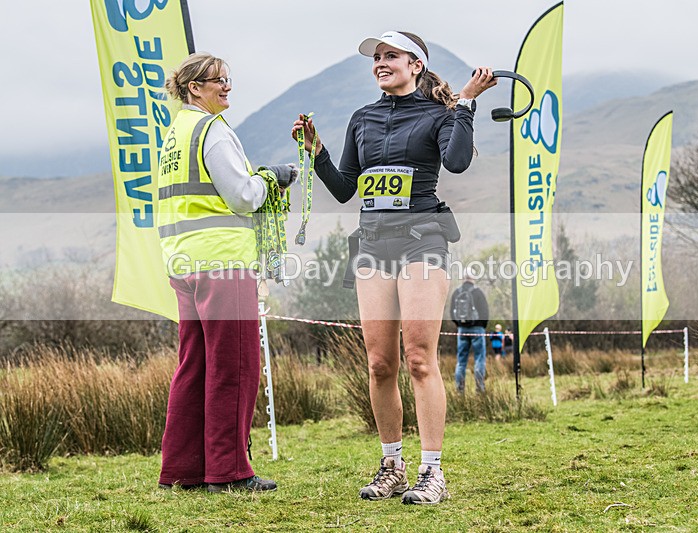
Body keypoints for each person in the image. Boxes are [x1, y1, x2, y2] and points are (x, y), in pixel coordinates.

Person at [292, 30, 496, 505]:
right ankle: (392, 467)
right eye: (377, 57)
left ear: (416, 65)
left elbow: (459, 162)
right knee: (380, 364)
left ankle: (432, 472)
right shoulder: (361, 119)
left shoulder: (440, 113)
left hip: (423, 241)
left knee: (420, 359)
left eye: (391, 56)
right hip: (372, 246)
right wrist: (317, 151)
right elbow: (345, 189)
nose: (381, 62)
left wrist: (464, 104)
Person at [157, 52, 295, 493]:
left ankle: (182, 469)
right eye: (220, 80)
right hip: (222, 263)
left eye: (228, 79)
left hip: (183, 263)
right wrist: (272, 177)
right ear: (195, 87)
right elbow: (241, 196)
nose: (228, 87)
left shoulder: (173, 135)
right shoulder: (212, 131)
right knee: (234, 365)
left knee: (193, 365)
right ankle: (229, 471)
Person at [450, 271, 490, 392]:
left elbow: (452, 312)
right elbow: (485, 312)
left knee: (461, 361)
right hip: (477, 329)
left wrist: (459, 324)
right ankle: (480, 389)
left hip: (462, 329)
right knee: (479, 359)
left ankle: (459, 390)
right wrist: (482, 326)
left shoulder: (456, 292)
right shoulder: (478, 292)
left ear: (463, 278)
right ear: (473, 278)